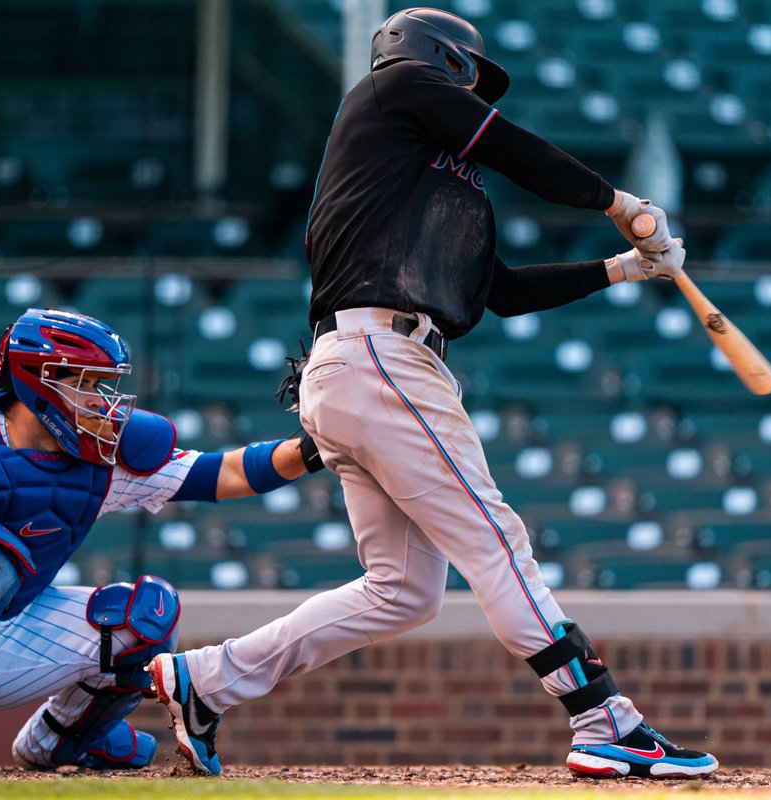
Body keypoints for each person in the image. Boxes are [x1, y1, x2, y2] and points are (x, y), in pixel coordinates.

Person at [150, 7, 717, 780]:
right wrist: (621, 204)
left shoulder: (428, 182)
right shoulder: (392, 91)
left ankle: (210, 679)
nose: (476, 95)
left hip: (365, 367)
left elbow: (500, 294)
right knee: (495, 537)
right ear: (436, 59)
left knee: (403, 591)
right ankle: (602, 718)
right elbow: (520, 152)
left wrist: (622, 268)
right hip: (379, 357)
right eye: (469, 77)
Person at [0, 307, 319, 770]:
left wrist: (318, 447)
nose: (101, 402)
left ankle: (57, 741)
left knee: (146, 616)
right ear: (41, 379)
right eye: (88, 384)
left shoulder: (99, 462)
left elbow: (227, 473)